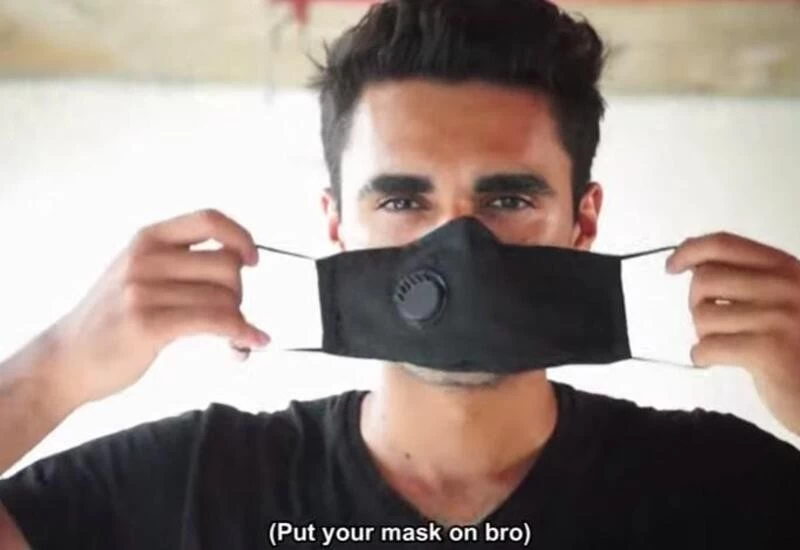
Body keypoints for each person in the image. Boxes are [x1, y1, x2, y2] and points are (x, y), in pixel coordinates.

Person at [1, 0, 799, 548]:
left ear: (582, 222)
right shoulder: (194, 487)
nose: (457, 247)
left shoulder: (718, 488)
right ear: (336, 226)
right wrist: (51, 371)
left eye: (509, 198)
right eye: (402, 200)